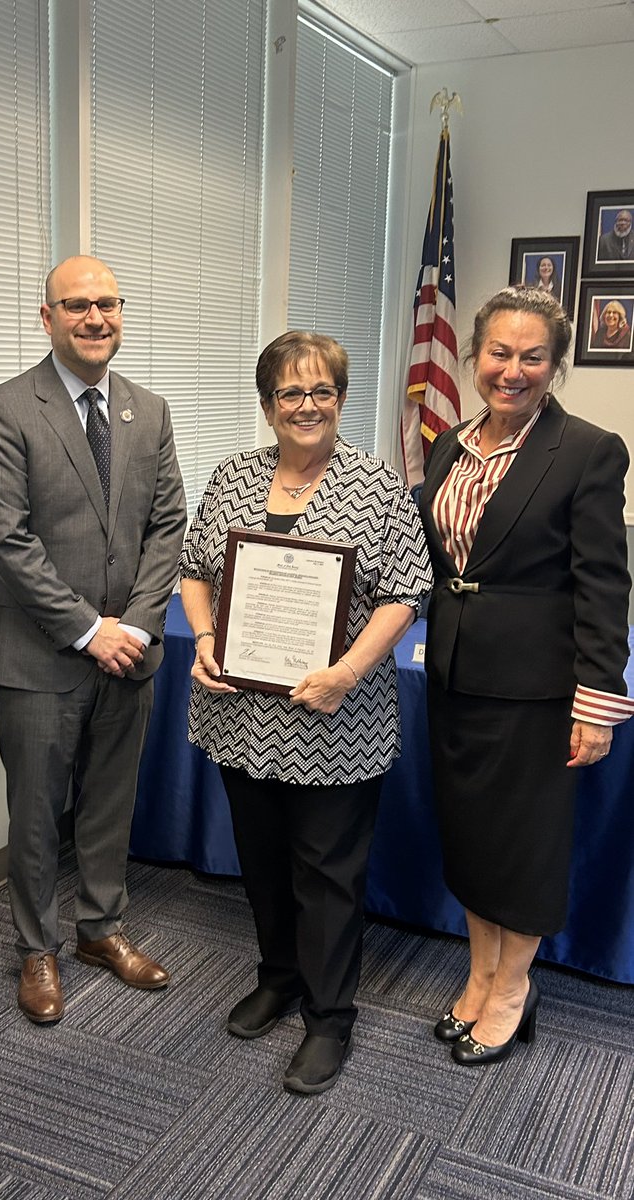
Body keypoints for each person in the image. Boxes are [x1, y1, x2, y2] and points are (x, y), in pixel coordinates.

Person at [179, 331, 432, 1095]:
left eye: (323, 391)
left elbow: (406, 594)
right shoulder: (231, 475)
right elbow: (195, 571)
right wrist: (206, 637)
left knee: (327, 873)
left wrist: (347, 672)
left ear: (342, 399)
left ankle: (329, 1017)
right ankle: (279, 977)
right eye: (291, 393)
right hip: (242, 715)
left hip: (336, 720)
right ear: (267, 405)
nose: (308, 405)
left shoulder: (377, 486)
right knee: (262, 861)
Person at [0, 255, 187, 1025]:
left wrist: (139, 624)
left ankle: (100, 928)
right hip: (39, 656)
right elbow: (9, 540)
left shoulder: (148, 411)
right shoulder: (2, 411)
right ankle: (37, 948)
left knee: (108, 802)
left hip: (130, 651)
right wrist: (91, 630)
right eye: (77, 305)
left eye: (108, 304)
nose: (96, 318)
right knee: (35, 813)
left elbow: (167, 528)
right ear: (47, 317)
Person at [418, 286, 633, 1067]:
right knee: (472, 839)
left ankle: (514, 988)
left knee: (525, 846)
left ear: (555, 364)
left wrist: (599, 705)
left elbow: (606, 586)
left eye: (532, 356)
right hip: (452, 674)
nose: (512, 370)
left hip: (539, 690)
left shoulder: (587, 449)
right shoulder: (448, 444)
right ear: (476, 355)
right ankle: (479, 974)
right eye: (499, 353)